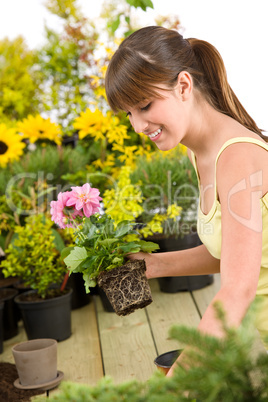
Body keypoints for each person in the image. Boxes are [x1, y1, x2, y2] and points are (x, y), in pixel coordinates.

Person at [105, 25, 268, 375]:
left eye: (145, 105)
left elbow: (238, 289)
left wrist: (178, 383)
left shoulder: (235, 157)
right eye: (129, 113)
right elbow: (232, 253)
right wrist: (153, 265)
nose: (137, 125)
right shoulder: (201, 153)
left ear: (183, 86)